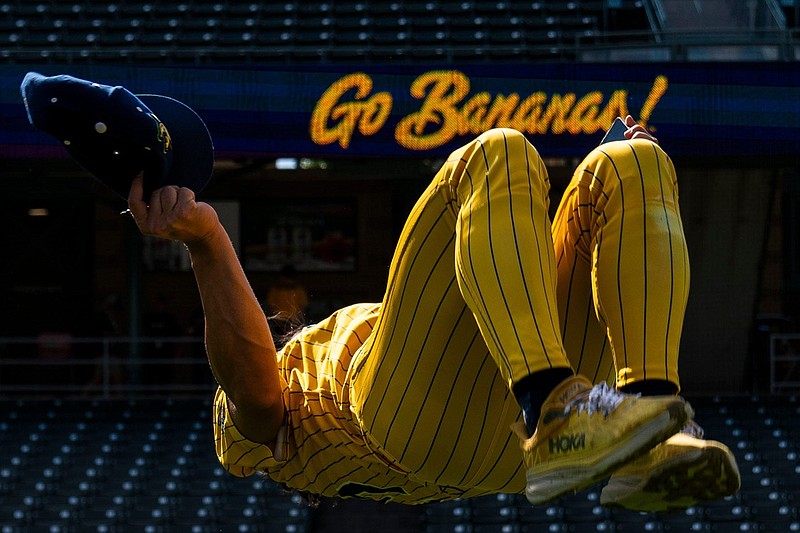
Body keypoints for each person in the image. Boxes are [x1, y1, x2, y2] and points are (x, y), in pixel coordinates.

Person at [127, 116, 740, 512]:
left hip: (502, 445)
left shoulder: (353, 345)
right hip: (420, 428)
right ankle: (563, 407)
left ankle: (650, 425)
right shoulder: (293, 382)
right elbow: (257, 400)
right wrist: (207, 239)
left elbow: (516, 275)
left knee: (631, 169)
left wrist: (590, 189)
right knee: (496, 156)